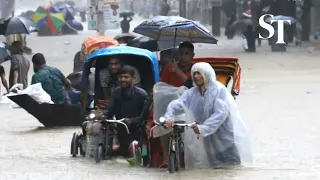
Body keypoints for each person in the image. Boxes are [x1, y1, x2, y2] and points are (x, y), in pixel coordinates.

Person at [163, 62, 251, 169]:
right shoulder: (192, 93)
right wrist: (169, 117)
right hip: (208, 142)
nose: (196, 76)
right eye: (194, 73)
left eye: (199, 73)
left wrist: (204, 128)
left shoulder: (220, 90)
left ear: (207, 74)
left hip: (225, 140)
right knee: (214, 170)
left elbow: (220, 114)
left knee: (231, 170)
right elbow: (176, 105)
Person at [157, 42, 194, 167]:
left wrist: (177, 71)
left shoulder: (196, 71)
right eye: (181, 53)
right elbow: (161, 88)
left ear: (192, 56)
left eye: (187, 54)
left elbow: (191, 86)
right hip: (170, 106)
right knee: (162, 124)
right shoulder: (169, 68)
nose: (183, 57)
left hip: (190, 107)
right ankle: (166, 159)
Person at [102, 65, 149, 160]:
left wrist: (132, 120)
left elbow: (145, 117)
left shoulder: (142, 95)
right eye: (121, 77)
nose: (123, 79)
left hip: (137, 130)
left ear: (133, 78)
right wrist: (103, 116)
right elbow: (109, 109)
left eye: (126, 77)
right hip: (121, 127)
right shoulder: (116, 92)